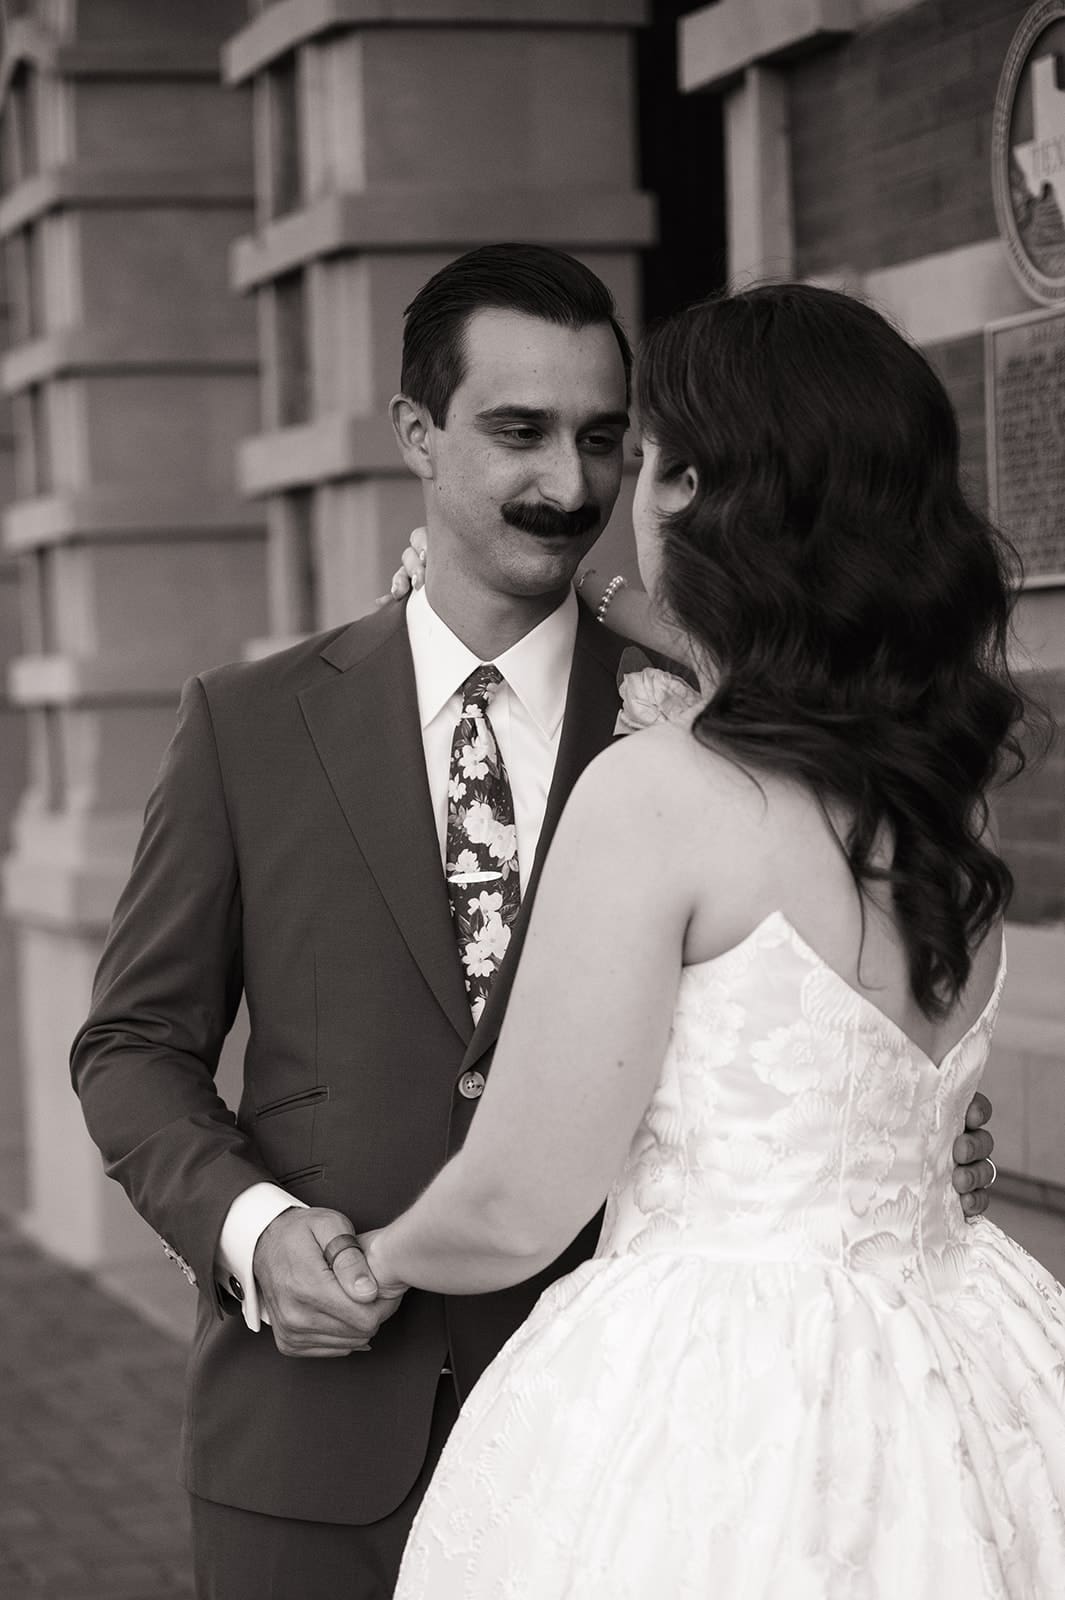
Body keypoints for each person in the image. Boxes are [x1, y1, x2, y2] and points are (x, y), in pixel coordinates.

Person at [69, 250, 995, 1600]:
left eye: (605, 441)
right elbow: (133, 1045)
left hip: (662, 1463)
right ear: (415, 435)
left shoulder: (729, 728)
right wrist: (253, 1232)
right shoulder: (248, 723)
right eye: (518, 433)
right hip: (311, 1446)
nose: (568, 486)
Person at [359, 284, 1065, 1598]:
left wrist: (370, 1256)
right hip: (964, 1357)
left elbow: (518, 1203)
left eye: (634, 458)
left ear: (687, 491)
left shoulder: (658, 795)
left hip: (723, 1405)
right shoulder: (937, 791)